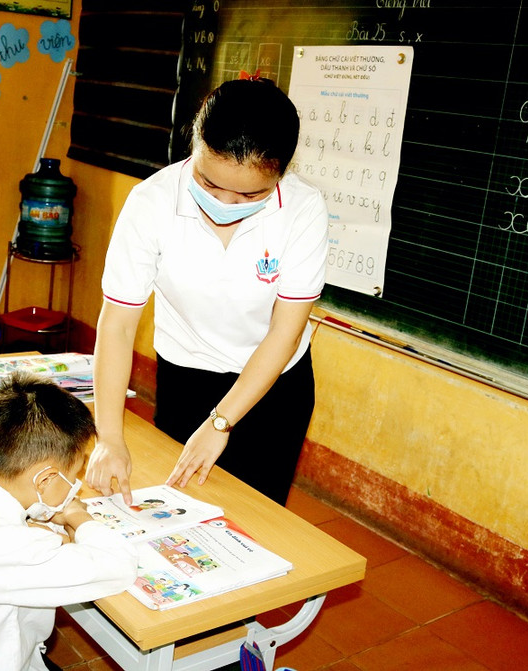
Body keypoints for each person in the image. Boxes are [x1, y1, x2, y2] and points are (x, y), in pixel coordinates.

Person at [87, 76, 328, 505]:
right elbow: (119, 325)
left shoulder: (303, 210)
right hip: (186, 377)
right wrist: (109, 437)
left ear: (280, 174)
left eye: (249, 193)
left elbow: (284, 332)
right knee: (178, 511)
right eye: (209, 183)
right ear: (194, 146)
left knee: (259, 520)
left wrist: (221, 423)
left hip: (274, 385)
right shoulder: (151, 203)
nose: (226, 204)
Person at [0, 371, 138, 671]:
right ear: (45, 479)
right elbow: (120, 566)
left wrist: (51, 533)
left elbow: (27, 542)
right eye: (73, 477)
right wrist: (78, 516)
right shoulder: (7, 547)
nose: (76, 486)